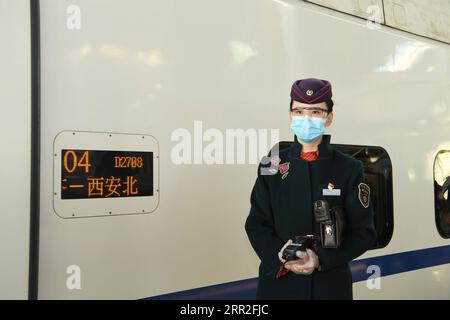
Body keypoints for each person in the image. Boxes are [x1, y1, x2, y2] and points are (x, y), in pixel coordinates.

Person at [245, 78, 377, 299]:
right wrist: (281, 256)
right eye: (299, 111)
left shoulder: (349, 168)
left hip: (330, 287)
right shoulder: (272, 164)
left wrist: (321, 260)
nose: (306, 118)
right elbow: (256, 224)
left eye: (316, 112)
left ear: (329, 118)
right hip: (278, 287)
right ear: (290, 116)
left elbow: (364, 232)